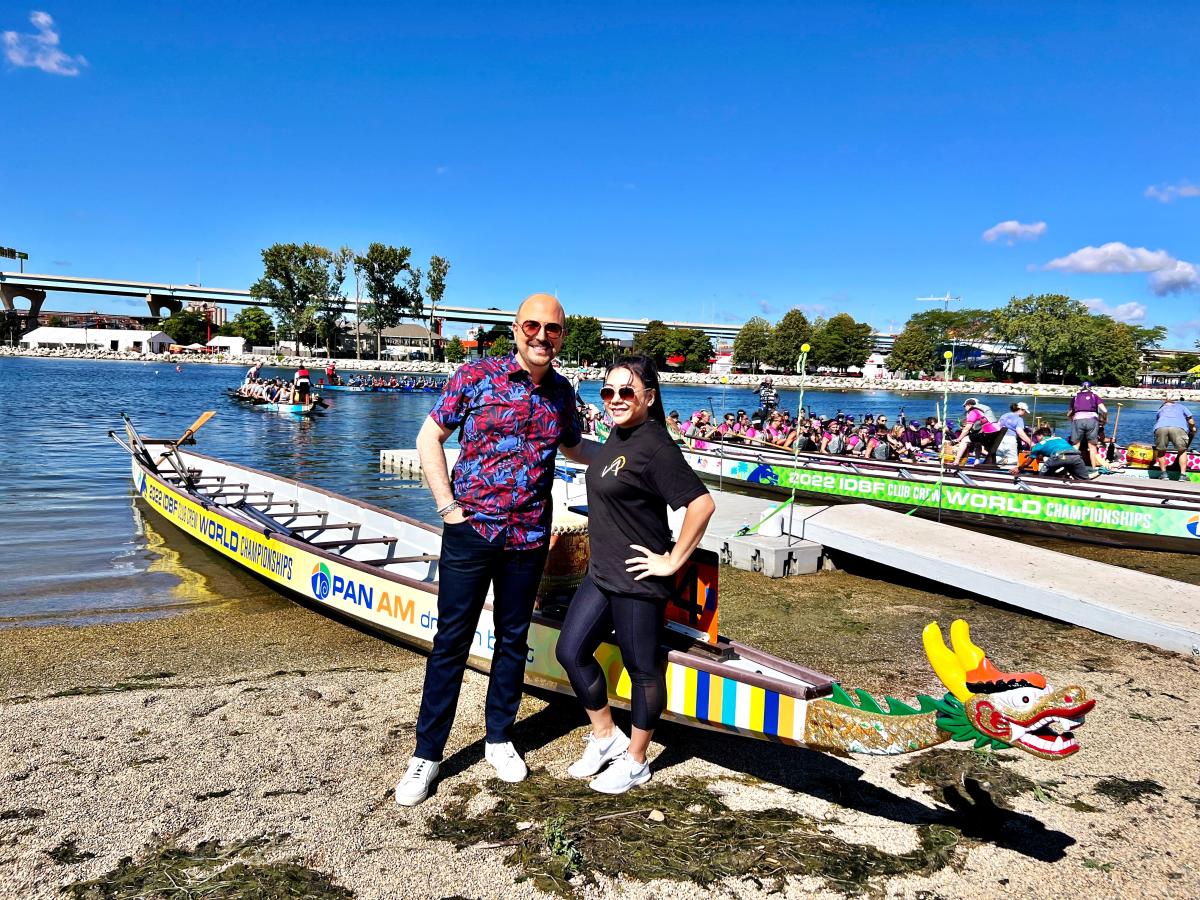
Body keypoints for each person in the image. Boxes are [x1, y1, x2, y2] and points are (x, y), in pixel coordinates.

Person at [395, 293, 595, 807]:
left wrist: (635, 449)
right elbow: (429, 437)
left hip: (528, 536)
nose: (541, 336)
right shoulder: (475, 375)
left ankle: (499, 738)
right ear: (515, 328)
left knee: (513, 639)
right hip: (470, 531)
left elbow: (575, 448)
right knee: (451, 643)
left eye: (552, 329)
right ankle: (427, 754)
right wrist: (447, 507)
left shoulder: (562, 393)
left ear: (562, 336)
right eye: (533, 326)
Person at [556, 355, 715, 793]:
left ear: (649, 395)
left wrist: (671, 560)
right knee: (570, 652)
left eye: (627, 391)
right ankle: (606, 736)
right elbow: (595, 458)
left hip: (638, 580)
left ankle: (637, 760)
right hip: (603, 573)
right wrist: (564, 432)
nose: (616, 400)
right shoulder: (619, 435)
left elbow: (700, 505)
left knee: (643, 669)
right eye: (608, 392)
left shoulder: (656, 446)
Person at [1017, 426, 1093, 481]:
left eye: (1037, 437)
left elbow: (1028, 462)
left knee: (1042, 477)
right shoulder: (1059, 438)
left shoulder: (1039, 445)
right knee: (1084, 480)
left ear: (1041, 436)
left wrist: (1018, 468)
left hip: (1060, 455)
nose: (1037, 440)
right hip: (1076, 455)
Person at [952, 398, 1006, 466]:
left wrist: (958, 439)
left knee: (964, 440)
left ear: (968, 405)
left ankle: (956, 461)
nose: (964, 408)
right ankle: (977, 461)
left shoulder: (973, 411)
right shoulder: (982, 411)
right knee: (977, 441)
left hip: (989, 433)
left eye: (964, 406)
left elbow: (967, 428)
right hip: (997, 431)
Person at [1068, 381, 1108, 467]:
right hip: (1092, 421)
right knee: (1092, 446)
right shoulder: (1094, 396)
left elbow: (1071, 412)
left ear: (1081, 388)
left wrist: (1071, 419)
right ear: (1090, 388)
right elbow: (1105, 410)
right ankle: (1093, 468)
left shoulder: (1075, 397)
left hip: (1078, 420)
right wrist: (1104, 419)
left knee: (1075, 444)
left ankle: (1070, 467)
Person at [1153, 396, 1196, 475]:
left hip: (1161, 427)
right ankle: (1182, 475)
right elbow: (1191, 421)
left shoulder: (1160, 409)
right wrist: (1192, 428)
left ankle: (1163, 474)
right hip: (1178, 428)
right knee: (1182, 451)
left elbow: (1158, 421)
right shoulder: (1182, 407)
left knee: (1161, 451)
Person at [996, 402, 1033, 468]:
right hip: (1010, 440)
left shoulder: (1004, 415)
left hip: (999, 438)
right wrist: (1030, 443)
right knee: (1012, 461)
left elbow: (997, 426)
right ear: (1021, 410)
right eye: (1024, 411)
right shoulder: (1019, 419)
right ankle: (1009, 476)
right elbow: (1020, 432)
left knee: (999, 458)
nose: (1024, 414)